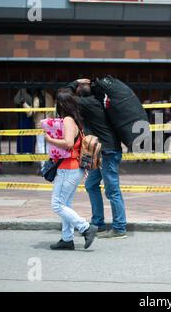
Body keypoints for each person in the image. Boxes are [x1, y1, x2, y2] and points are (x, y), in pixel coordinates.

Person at [66, 79, 127, 239]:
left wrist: (75, 82)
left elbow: (63, 96)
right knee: (91, 184)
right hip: (101, 150)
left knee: (112, 190)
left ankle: (119, 228)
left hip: (107, 151)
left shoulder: (85, 103)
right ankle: (98, 223)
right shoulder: (97, 101)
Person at [45, 90, 98, 250]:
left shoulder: (68, 120)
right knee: (65, 204)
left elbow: (68, 143)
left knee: (57, 204)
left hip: (68, 168)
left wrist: (50, 140)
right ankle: (67, 239)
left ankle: (86, 228)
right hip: (75, 168)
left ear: (60, 105)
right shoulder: (76, 120)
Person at [24, 89, 55, 174]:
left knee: (41, 146)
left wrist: (24, 103)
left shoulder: (37, 99)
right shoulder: (49, 96)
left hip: (40, 125)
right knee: (49, 146)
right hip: (50, 124)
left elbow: (30, 112)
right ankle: (50, 166)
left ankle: (44, 167)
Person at [13, 88, 35, 154]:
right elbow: (16, 100)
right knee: (24, 137)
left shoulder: (30, 94)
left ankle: (26, 155)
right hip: (24, 118)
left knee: (27, 138)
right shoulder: (23, 92)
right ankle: (24, 155)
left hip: (27, 119)